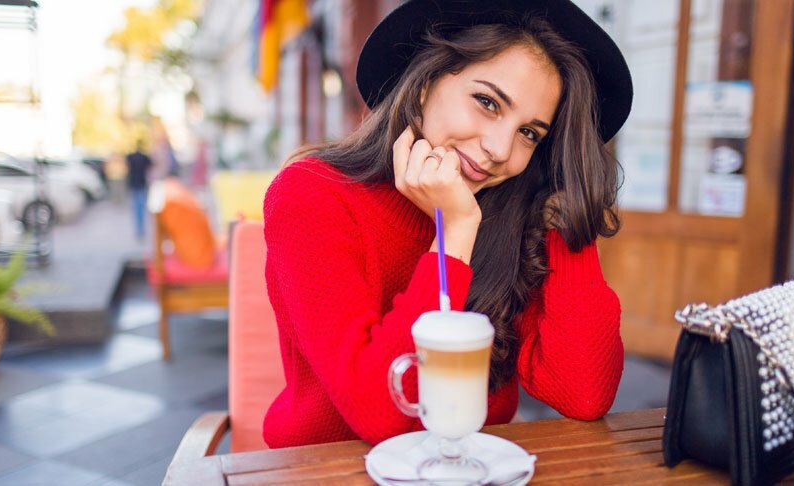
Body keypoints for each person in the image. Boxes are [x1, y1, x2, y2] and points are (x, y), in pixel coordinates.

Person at [262, 0, 632, 449]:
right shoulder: (312, 195)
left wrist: (569, 213)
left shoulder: (516, 212)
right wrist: (454, 234)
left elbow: (584, 393)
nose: (500, 148)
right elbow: (380, 412)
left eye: (530, 133)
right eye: (487, 102)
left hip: (473, 469)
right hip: (328, 469)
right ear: (423, 86)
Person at [126, 141, 153, 239]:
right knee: (140, 207)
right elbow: (150, 167)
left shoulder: (130, 157)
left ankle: (139, 229)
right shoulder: (144, 157)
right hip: (141, 183)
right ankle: (141, 229)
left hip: (135, 183)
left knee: (137, 207)